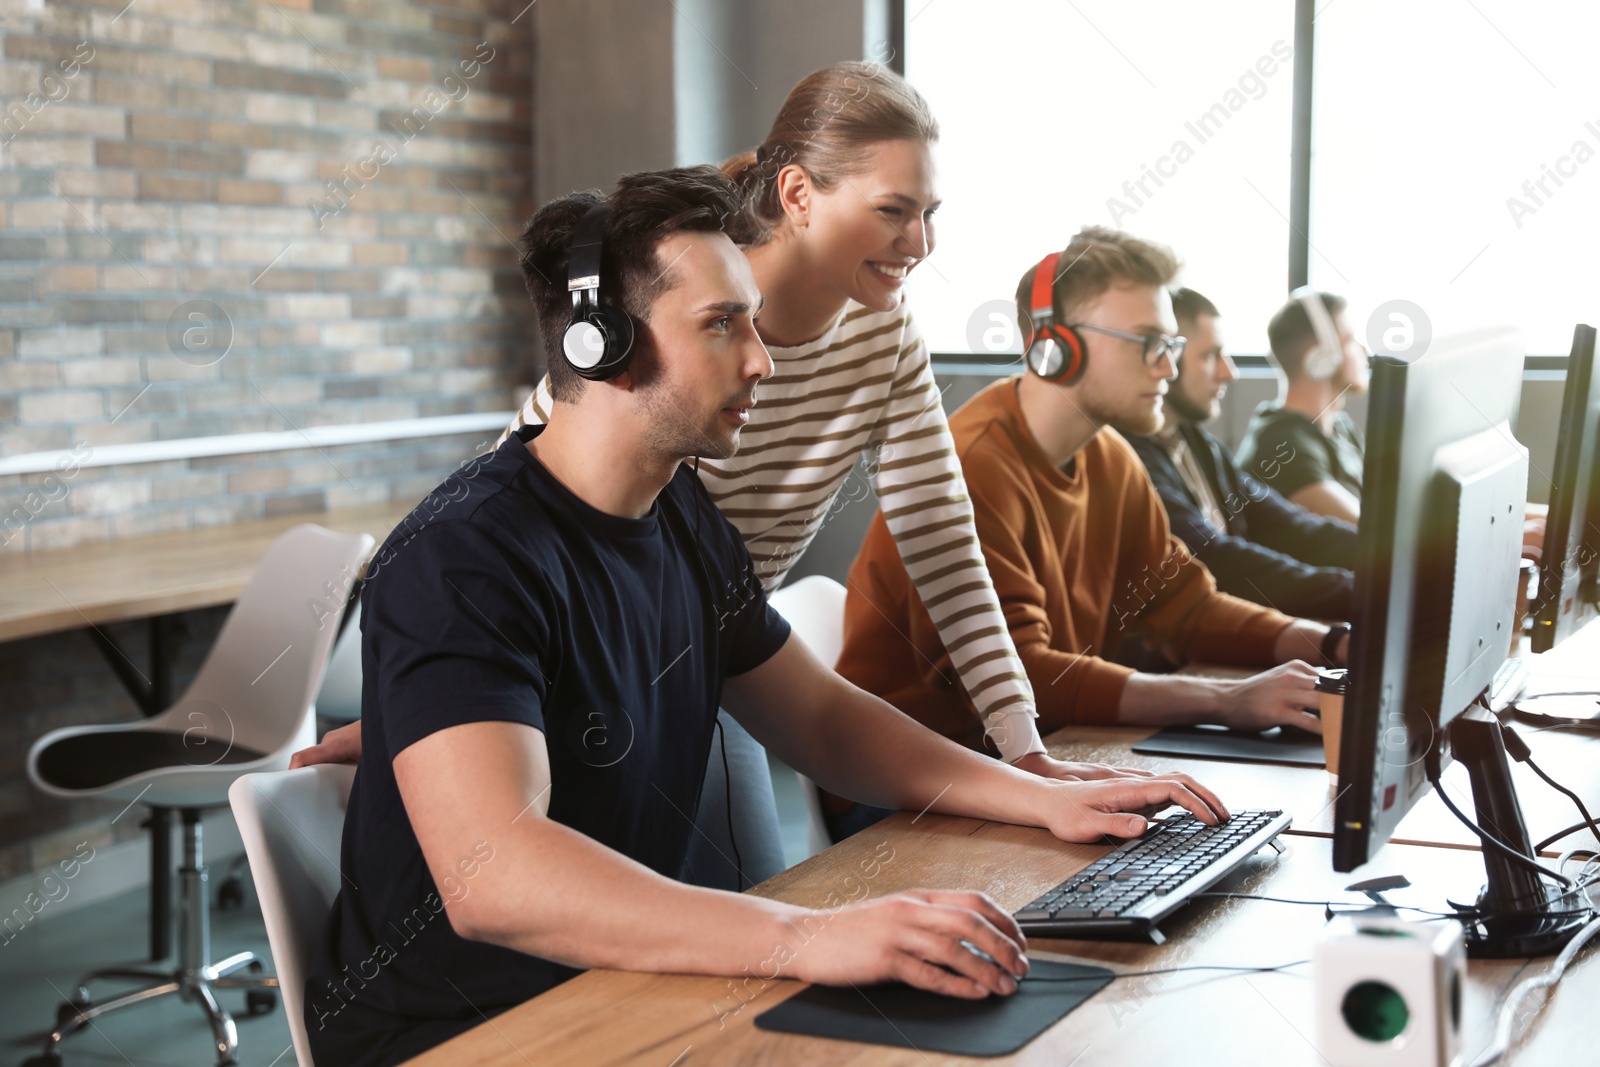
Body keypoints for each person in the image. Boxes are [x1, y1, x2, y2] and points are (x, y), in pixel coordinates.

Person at [303, 168, 1229, 1067]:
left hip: (616, 981)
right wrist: (807, 934)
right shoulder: (464, 556)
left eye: (752, 319)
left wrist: (1044, 793)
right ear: (603, 344)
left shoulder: (676, 516)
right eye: (721, 325)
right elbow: (496, 880)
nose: (762, 358)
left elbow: (820, 716)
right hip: (462, 1031)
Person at [295, 63, 1149, 869]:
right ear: (798, 194)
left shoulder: (879, 338)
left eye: (931, 212)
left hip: (722, 645)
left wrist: (1023, 751)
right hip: (589, 653)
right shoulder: (659, 315)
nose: (920, 242)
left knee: (732, 904)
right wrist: (436, 695)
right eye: (894, 209)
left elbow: (938, 543)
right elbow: (517, 512)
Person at [836, 228, 1351, 750]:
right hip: (911, 779)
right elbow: (1021, 677)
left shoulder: (1109, 458)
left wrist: (1332, 642)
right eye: (1150, 343)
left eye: (1171, 345)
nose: (1169, 368)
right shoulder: (973, 468)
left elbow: (1185, 607)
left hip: (1042, 749)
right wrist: (1225, 700)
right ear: (1056, 347)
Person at [1127, 287, 1359, 620]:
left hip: (1240, 632)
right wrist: (1361, 593)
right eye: (1210, 356)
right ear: (1165, 357)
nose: (1229, 372)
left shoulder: (1199, 446)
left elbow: (1294, 527)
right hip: (1199, 651)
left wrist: (1397, 565)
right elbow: (1220, 560)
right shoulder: (1134, 460)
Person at [1234, 291, 1369, 523]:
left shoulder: (1340, 426)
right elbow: (1368, 531)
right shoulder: (1283, 446)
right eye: (1350, 340)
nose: (1364, 350)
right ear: (1322, 357)